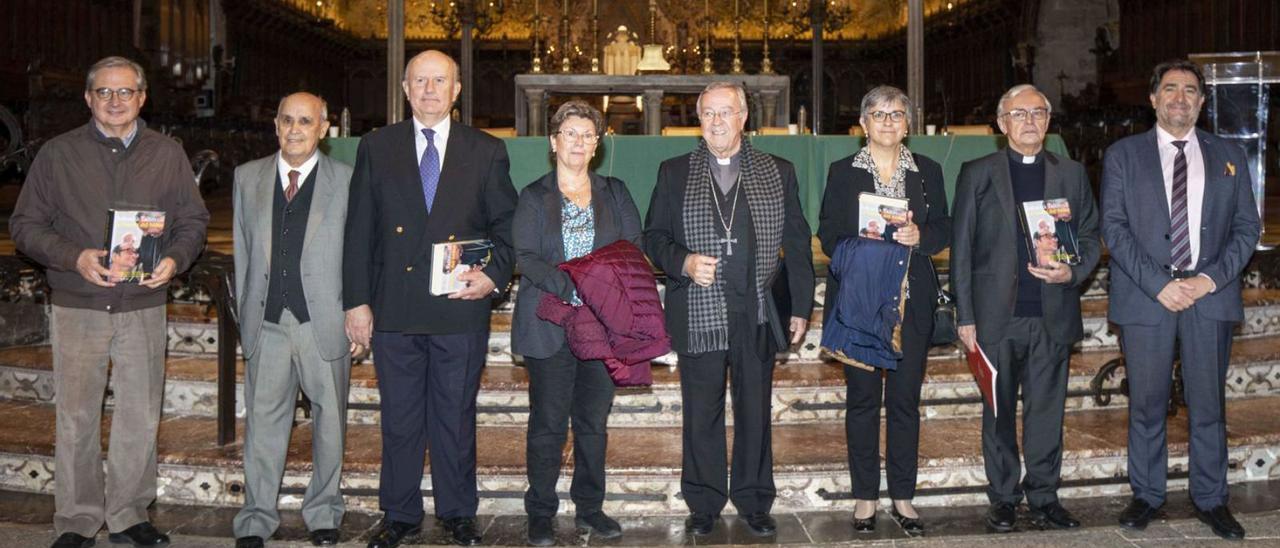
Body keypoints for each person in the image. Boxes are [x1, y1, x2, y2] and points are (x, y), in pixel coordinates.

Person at [10, 55, 209, 548]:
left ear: (143, 98)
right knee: (76, 415)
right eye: (104, 92)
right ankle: (76, 519)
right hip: (79, 304)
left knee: (140, 413)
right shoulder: (58, 154)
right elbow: (24, 226)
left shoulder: (167, 154)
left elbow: (193, 221)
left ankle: (129, 514)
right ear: (88, 98)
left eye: (125, 92)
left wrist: (176, 259)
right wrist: (73, 256)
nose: (115, 101)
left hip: (142, 303)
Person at [342, 50, 518, 548]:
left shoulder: (485, 150)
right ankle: (399, 514)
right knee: (399, 418)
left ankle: (458, 511)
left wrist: (493, 277)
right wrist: (356, 302)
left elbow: (508, 228)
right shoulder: (377, 146)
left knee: (454, 414)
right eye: (419, 80)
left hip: (459, 306)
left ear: (457, 90)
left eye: (439, 80)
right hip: (394, 307)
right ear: (404, 88)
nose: (429, 89)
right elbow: (359, 232)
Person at [643, 81, 814, 538]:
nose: (717, 121)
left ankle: (755, 499)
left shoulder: (778, 170)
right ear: (699, 121)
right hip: (698, 311)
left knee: (755, 409)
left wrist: (800, 305)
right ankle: (703, 501)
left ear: (743, 118)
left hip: (755, 309)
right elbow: (653, 237)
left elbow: (797, 243)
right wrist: (683, 261)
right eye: (708, 114)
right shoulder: (674, 171)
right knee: (701, 410)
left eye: (726, 112)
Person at [1101, 60, 1259, 540]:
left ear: (1202, 101)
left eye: (1190, 90)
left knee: (1208, 404)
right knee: (1146, 404)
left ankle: (1211, 499)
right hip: (1147, 296)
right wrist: (1158, 283)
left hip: (1208, 296)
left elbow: (1246, 228)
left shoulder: (1228, 153)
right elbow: (1114, 226)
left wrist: (1209, 280)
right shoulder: (1123, 155)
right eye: (1170, 89)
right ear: (1152, 98)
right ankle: (1147, 494)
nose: (1179, 98)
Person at [951, 84, 1100, 533]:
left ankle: (1044, 495)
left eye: (1038, 112)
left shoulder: (1071, 173)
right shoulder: (977, 172)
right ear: (1002, 123)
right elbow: (961, 249)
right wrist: (965, 316)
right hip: (996, 316)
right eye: (1019, 114)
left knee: (1046, 411)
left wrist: (1071, 274)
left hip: (1051, 312)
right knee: (997, 413)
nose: (1030, 121)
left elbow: (1091, 237)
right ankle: (1002, 498)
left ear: (1049, 121)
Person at [817, 85, 951, 536]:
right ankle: (864, 497)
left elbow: (943, 226)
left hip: (911, 300)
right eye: (878, 114)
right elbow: (828, 233)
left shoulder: (927, 170)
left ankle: (903, 496)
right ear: (863, 124)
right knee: (861, 401)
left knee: (904, 402)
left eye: (896, 114)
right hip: (860, 302)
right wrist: (863, 248)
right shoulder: (842, 172)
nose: (888, 121)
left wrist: (922, 239)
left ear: (908, 124)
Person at [511, 100, 641, 546]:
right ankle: (541, 511)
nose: (579, 142)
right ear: (553, 142)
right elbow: (524, 256)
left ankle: (590, 508)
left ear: (597, 144)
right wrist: (572, 286)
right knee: (547, 422)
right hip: (550, 323)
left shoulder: (616, 192)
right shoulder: (533, 196)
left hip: (603, 326)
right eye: (570, 133)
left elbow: (632, 247)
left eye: (587, 135)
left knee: (592, 422)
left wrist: (601, 290)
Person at [231, 92, 355, 548]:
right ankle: (256, 516)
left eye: (306, 121)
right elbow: (244, 254)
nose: (296, 129)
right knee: (263, 423)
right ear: (275, 125)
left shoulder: (346, 180)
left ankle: (324, 511)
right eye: (287, 120)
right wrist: (246, 314)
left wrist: (357, 312)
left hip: (323, 320)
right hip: (266, 323)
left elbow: (360, 255)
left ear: (324, 128)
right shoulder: (247, 178)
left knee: (330, 422)